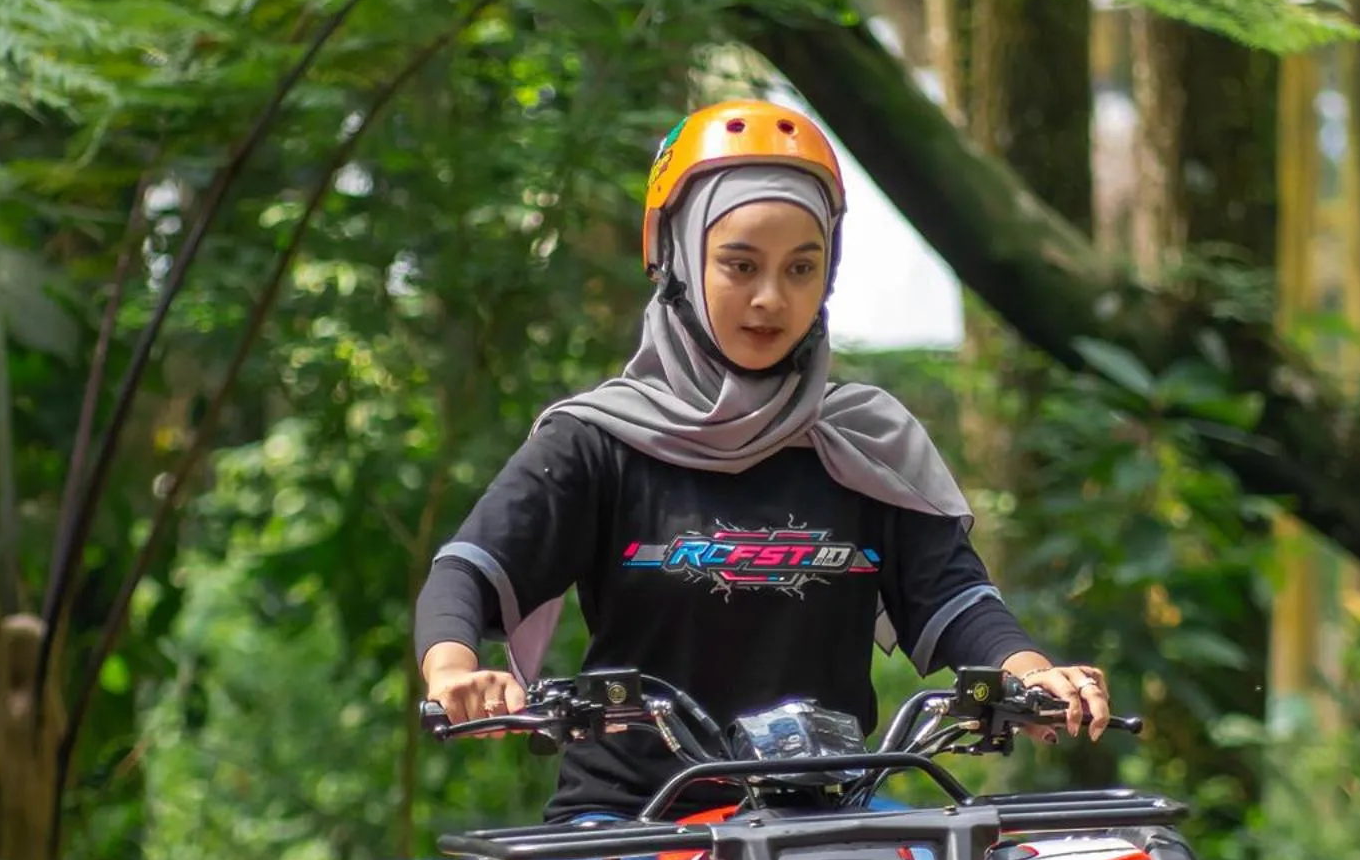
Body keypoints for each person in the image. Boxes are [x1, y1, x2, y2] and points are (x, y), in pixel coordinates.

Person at [414, 99, 1111, 821]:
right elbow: (468, 569)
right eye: (739, 265)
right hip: (628, 822)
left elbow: (953, 596)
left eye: (801, 268)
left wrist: (1030, 674)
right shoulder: (599, 441)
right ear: (677, 258)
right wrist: (454, 669)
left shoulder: (864, 442)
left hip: (826, 818)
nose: (771, 298)